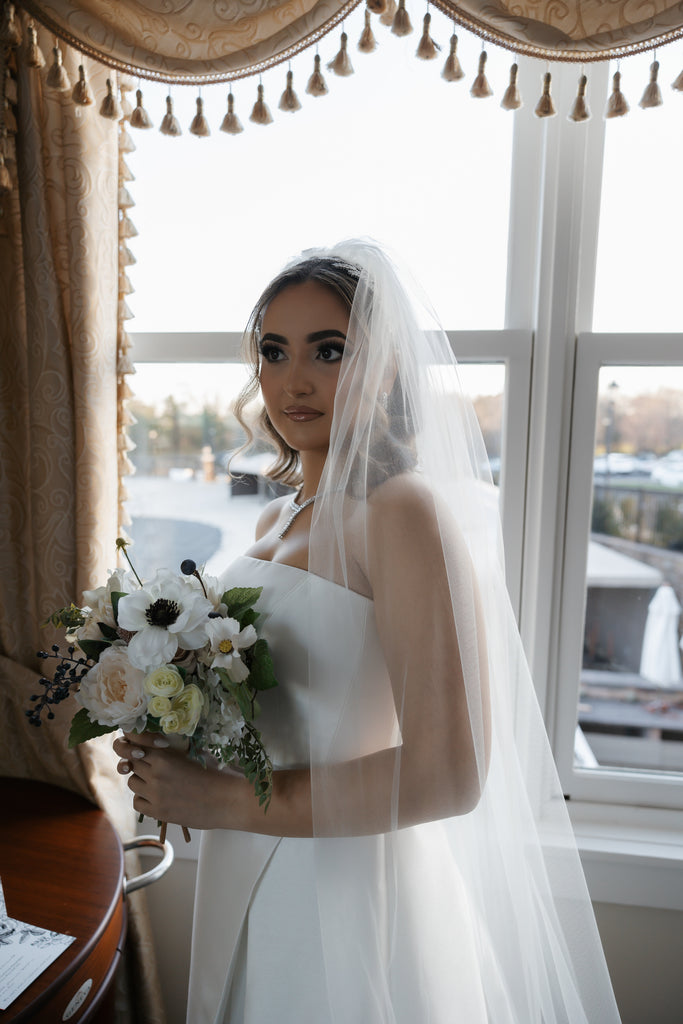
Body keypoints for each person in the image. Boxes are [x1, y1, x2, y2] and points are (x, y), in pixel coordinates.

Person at [114, 239, 621, 1023]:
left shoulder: (401, 512)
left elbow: (450, 774)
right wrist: (173, 736)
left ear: (386, 367)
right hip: (242, 859)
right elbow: (274, 704)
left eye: (330, 350)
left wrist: (226, 800)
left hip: (338, 887)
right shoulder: (272, 514)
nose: (294, 380)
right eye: (274, 352)